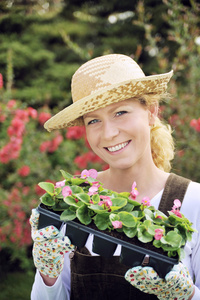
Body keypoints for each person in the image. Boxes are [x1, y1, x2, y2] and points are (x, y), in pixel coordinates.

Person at [30, 54, 200, 300]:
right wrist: (48, 273)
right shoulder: (71, 201)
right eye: (94, 120)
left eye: (120, 112)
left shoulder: (194, 201)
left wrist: (186, 295)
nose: (108, 133)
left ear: (151, 112)